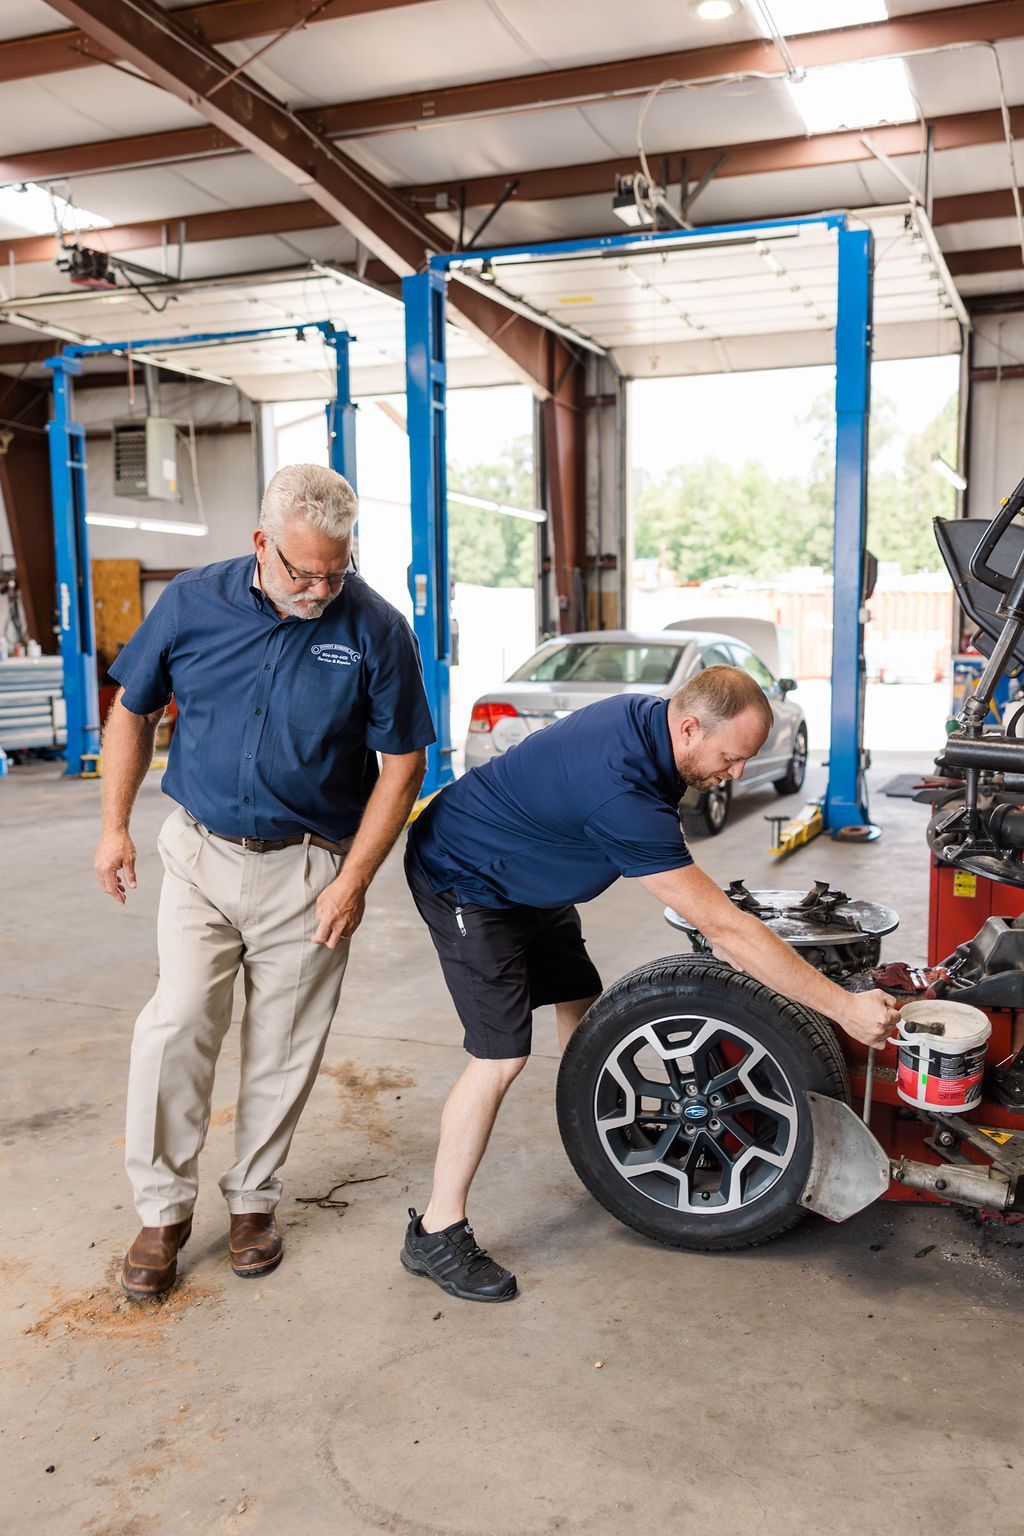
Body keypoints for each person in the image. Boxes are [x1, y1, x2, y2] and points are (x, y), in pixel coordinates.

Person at [402, 666, 899, 1303]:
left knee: (586, 1009)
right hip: (466, 875)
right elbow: (727, 931)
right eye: (731, 757)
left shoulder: (653, 723)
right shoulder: (622, 793)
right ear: (689, 727)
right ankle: (437, 1230)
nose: (737, 774)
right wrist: (843, 1007)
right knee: (501, 1056)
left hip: (530, 866)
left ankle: (601, 1136)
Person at [95, 463, 435, 1300]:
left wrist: (352, 879)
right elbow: (132, 709)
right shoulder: (191, 601)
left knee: (283, 1045)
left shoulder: (376, 629)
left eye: (337, 569)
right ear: (261, 543)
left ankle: (252, 1201)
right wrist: (113, 827)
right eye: (303, 569)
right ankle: (163, 1210)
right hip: (200, 853)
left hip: (312, 864)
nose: (321, 587)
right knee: (177, 1025)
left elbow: (403, 766)